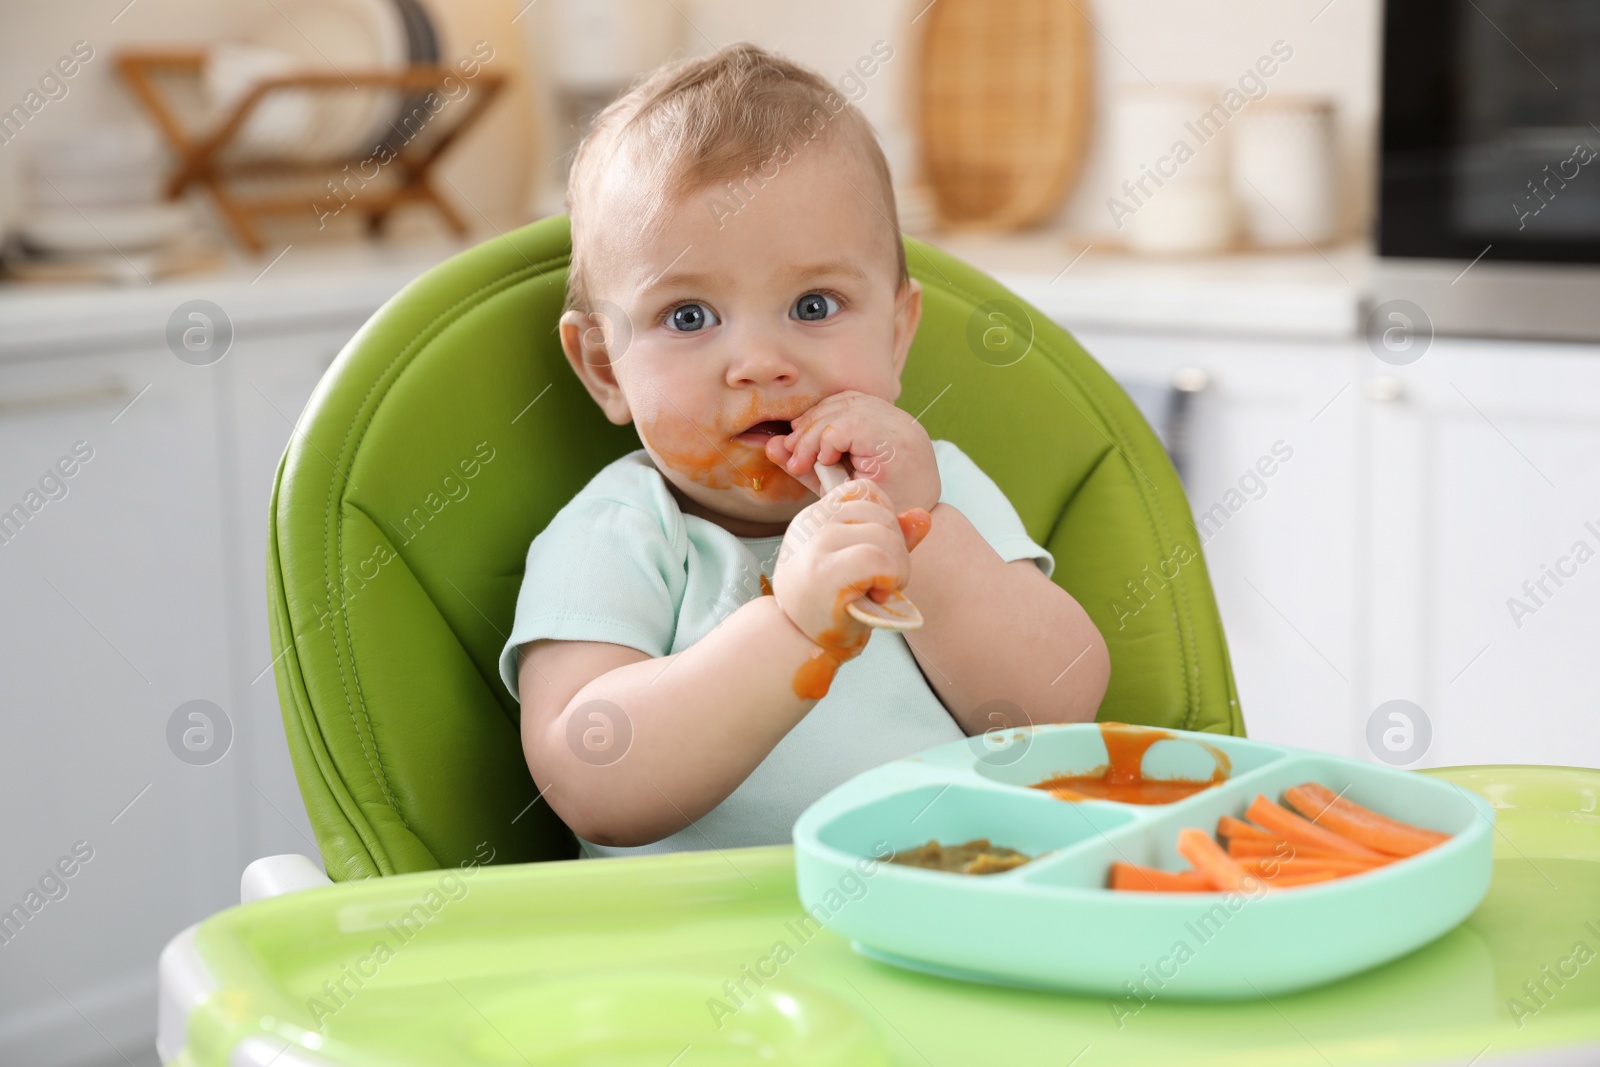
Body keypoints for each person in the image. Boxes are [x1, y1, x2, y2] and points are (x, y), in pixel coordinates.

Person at [496, 42, 1109, 858]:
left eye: (814, 304)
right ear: (607, 368)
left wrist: (919, 529)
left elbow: (1058, 712)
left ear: (895, 335)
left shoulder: (933, 488)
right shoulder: (624, 533)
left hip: (951, 902)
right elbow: (590, 779)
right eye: (688, 316)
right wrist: (792, 627)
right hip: (695, 946)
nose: (760, 363)